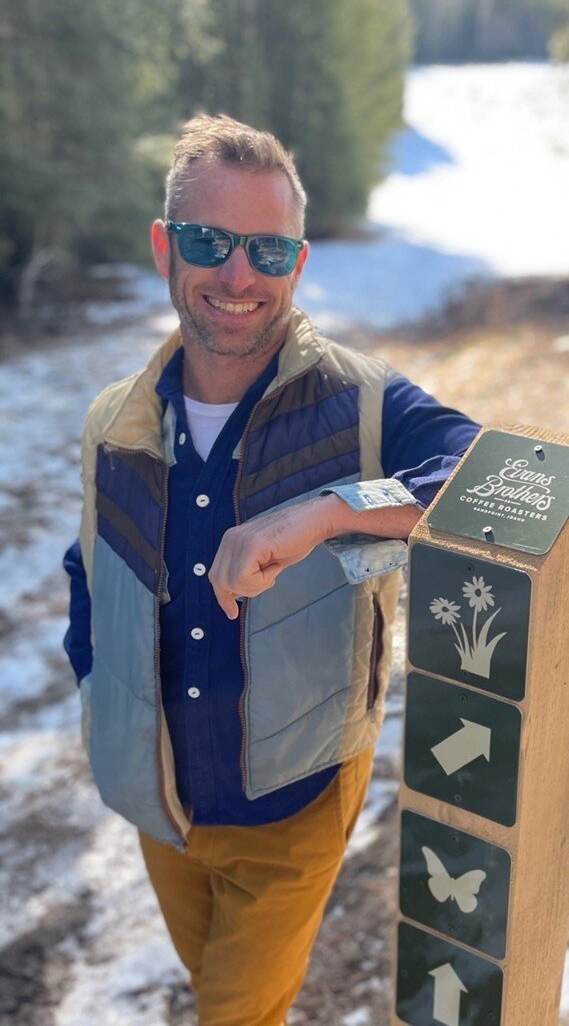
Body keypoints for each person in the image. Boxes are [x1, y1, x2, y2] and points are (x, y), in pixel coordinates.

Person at [62, 114, 479, 1024]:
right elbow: (89, 568)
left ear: (298, 261)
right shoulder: (115, 420)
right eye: (211, 242)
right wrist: (101, 686)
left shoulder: (363, 401)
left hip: (296, 802)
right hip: (163, 800)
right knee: (228, 995)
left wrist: (330, 511)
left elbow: (501, 481)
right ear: (166, 246)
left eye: (268, 248)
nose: (239, 275)